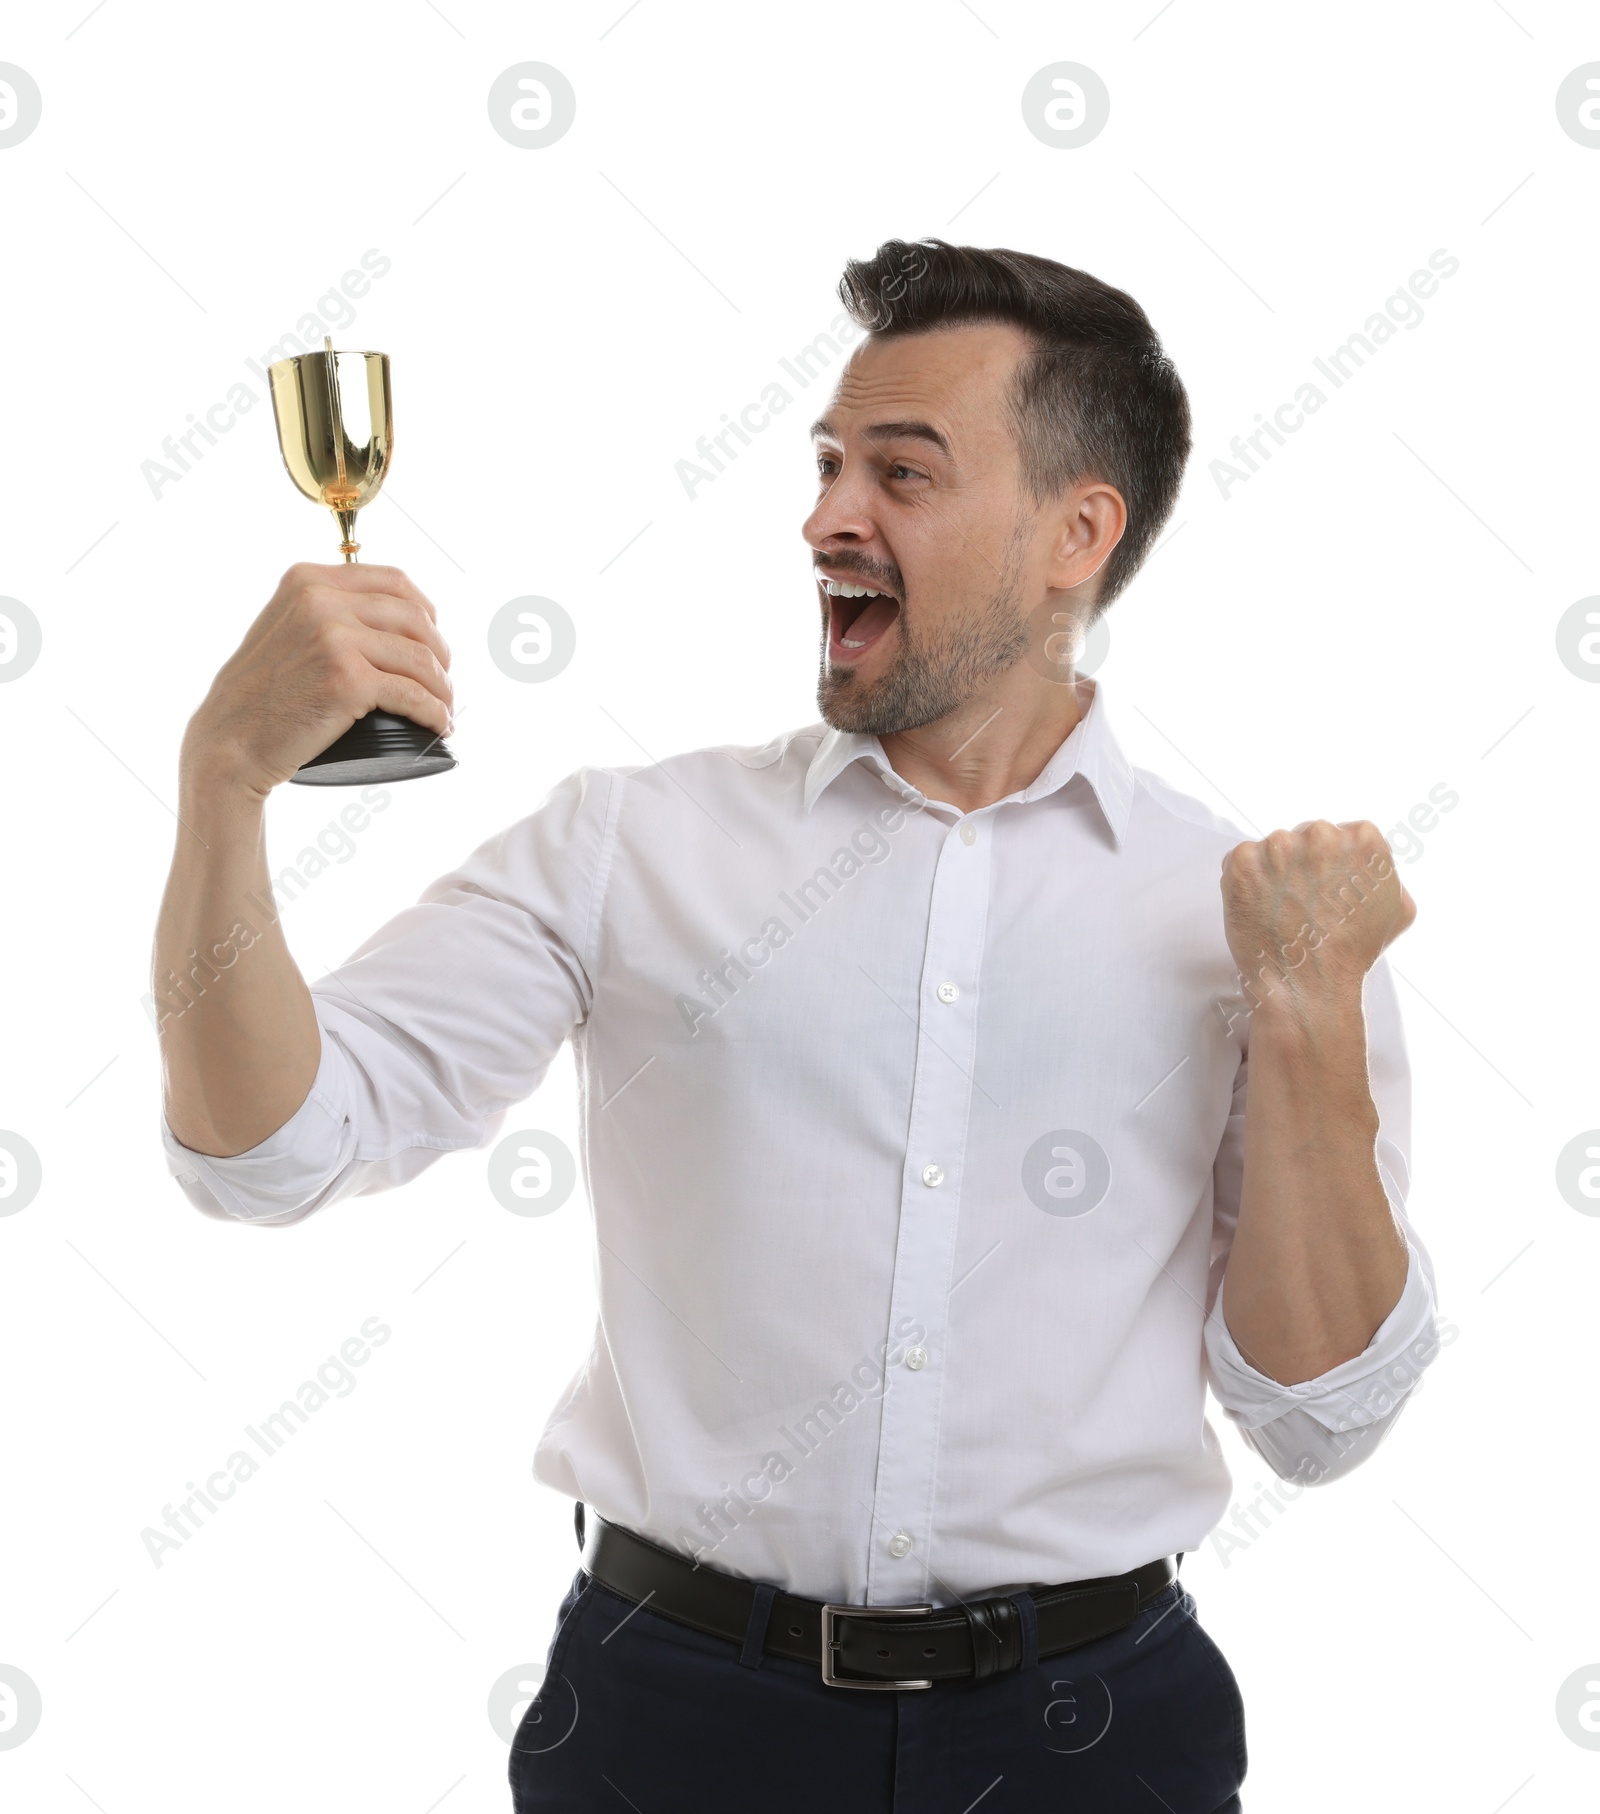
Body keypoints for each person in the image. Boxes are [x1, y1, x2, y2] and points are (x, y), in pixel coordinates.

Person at [153, 239, 1440, 1812]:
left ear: (1075, 534)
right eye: (830, 464)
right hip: (673, 1722)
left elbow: (1319, 1418)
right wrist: (223, 782)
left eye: (902, 472)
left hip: (1093, 1736)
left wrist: (1306, 1025)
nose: (829, 515)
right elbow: (271, 1150)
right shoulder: (631, 847)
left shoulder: (1254, 917)